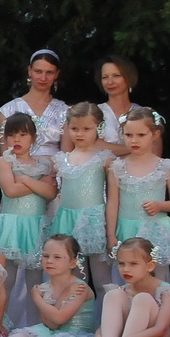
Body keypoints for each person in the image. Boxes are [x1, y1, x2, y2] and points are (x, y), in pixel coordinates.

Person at [106, 110, 170, 280]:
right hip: (126, 230)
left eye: (141, 134)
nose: (134, 140)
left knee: (157, 276)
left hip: (155, 231)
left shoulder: (166, 167)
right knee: (126, 276)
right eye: (129, 134)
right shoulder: (117, 167)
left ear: (155, 134)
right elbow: (113, 203)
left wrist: (160, 205)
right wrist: (111, 235)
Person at [0, 112, 55, 327]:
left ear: (34, 137)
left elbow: (51, 193)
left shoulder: (45, 164)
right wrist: (38, 184)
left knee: (35, 282)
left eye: (23, 134)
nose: (17, 140)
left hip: (36, 225)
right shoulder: (4, 161)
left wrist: (26, 179)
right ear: (5, 138)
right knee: (5, 279)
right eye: (11, 135)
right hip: (11, 225)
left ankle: (34, 326)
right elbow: (10, 190)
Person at [79, 238, 170, 337]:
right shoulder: (122, 290)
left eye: (133, 264)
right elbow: (109, 323)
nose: (126, 269)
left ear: (150, 266)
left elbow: (160, 329)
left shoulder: (166, 291)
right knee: (113, 294)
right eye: (121, 263)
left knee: (143, 299)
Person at [4, 235, 99, 337]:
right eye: (45, 256)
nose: (49, 261)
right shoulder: (44, 287)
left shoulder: (79, 287)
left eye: (57, 257)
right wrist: (61, 297)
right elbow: (50, 324)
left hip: (75, 335)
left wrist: (37, 298)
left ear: (72, 262)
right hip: (51, 331)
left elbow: (60, 318)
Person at [51, 103, 113, 288]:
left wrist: (110, 231)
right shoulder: (61, 160)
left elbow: (112, 197)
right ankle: (79, 316)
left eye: (87, 129)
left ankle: (105, 316)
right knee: (75, 279)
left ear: (99, 128)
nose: (80, 134)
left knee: (103, 280)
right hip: (67, 220)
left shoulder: (105, 158)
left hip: (94, 221)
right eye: (74, 128)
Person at [0, 49, 67, 159]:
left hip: (55, 173)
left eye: (49, 72)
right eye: (38, 71)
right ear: (30, 71)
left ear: (57, 74)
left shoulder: (65, 111)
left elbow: (67, 155)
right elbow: (5, 156)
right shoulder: (8, 110)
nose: (43, 78)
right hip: (19, 173)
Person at [94, 55, 153, 158]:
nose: (110, 82)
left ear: (128, 77)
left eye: (116, 75)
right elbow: (93, 145)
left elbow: (154, 151)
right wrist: (135, 149)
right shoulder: (93, 112)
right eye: (105, 77)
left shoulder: (146, 113)